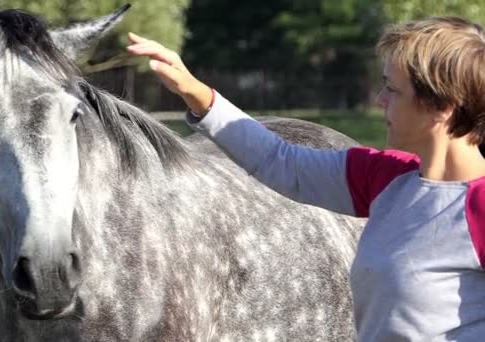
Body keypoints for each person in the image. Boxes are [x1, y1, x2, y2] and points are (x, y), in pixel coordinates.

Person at [126, 16, 485, 341]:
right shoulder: (386, 178)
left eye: (392, 90)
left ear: (442, 107)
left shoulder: (479, 207)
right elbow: (280, 161)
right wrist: (193, 91)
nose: (379, 100)